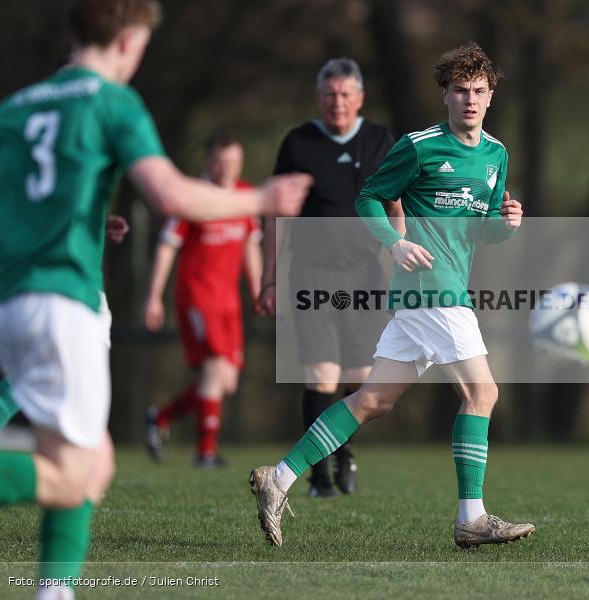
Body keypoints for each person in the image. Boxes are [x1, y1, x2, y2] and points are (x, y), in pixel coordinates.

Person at [0, 1, 311, 597]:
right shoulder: (111, 103)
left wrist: (89, 225)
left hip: (8, 302)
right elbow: (169, 194)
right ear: (128, 42)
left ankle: (52, 592)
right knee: (78, 473)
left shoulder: (14, 109)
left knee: (95, 463)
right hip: (60, 306)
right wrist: (260, 200)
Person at [249, 42, 533, 549]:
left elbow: (482, 231)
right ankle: (472, 517)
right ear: (444, 94)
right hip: (432, 289)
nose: (469, 100)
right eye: (460, 91)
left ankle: (281, 477)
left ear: (491, 97)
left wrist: (507, 224)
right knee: (482, 393)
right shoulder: (419, 146)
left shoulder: (497, 154)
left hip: (440, 291)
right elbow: (368, 197)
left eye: (479, 91)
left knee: (372, 400)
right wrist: (395, 242)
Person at [260, 58, 400, 496]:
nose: (337, 103)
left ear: (360, 98)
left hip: (365, 276)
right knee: (320, 375)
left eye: (345, 95)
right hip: (312, 275)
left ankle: (343, 451)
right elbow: (277, 216)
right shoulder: (298, 143)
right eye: (329, 95)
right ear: (319, 97)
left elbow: (397, 210)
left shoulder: (380, 141)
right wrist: (268, 278)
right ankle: (318, 476)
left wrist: (402, 265)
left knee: (360, 379)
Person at [144, 134, 263, 467]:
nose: (225, 168)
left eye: (232, 162)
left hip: (229, 302)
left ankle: (160, 417)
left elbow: (250, 246)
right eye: (219, 161)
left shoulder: (246, 197)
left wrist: (258, 288)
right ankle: (206, 452)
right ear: (207, 162)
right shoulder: (191, 197)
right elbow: (168, 246)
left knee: (227, 381)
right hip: (198, 296)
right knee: (213, 369)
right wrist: (154, 297)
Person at [0, 216, 129, 434]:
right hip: (72, 288)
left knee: (47, 382)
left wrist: (93, 222)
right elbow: (170, 198)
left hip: (66, 284)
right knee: (73, 387)